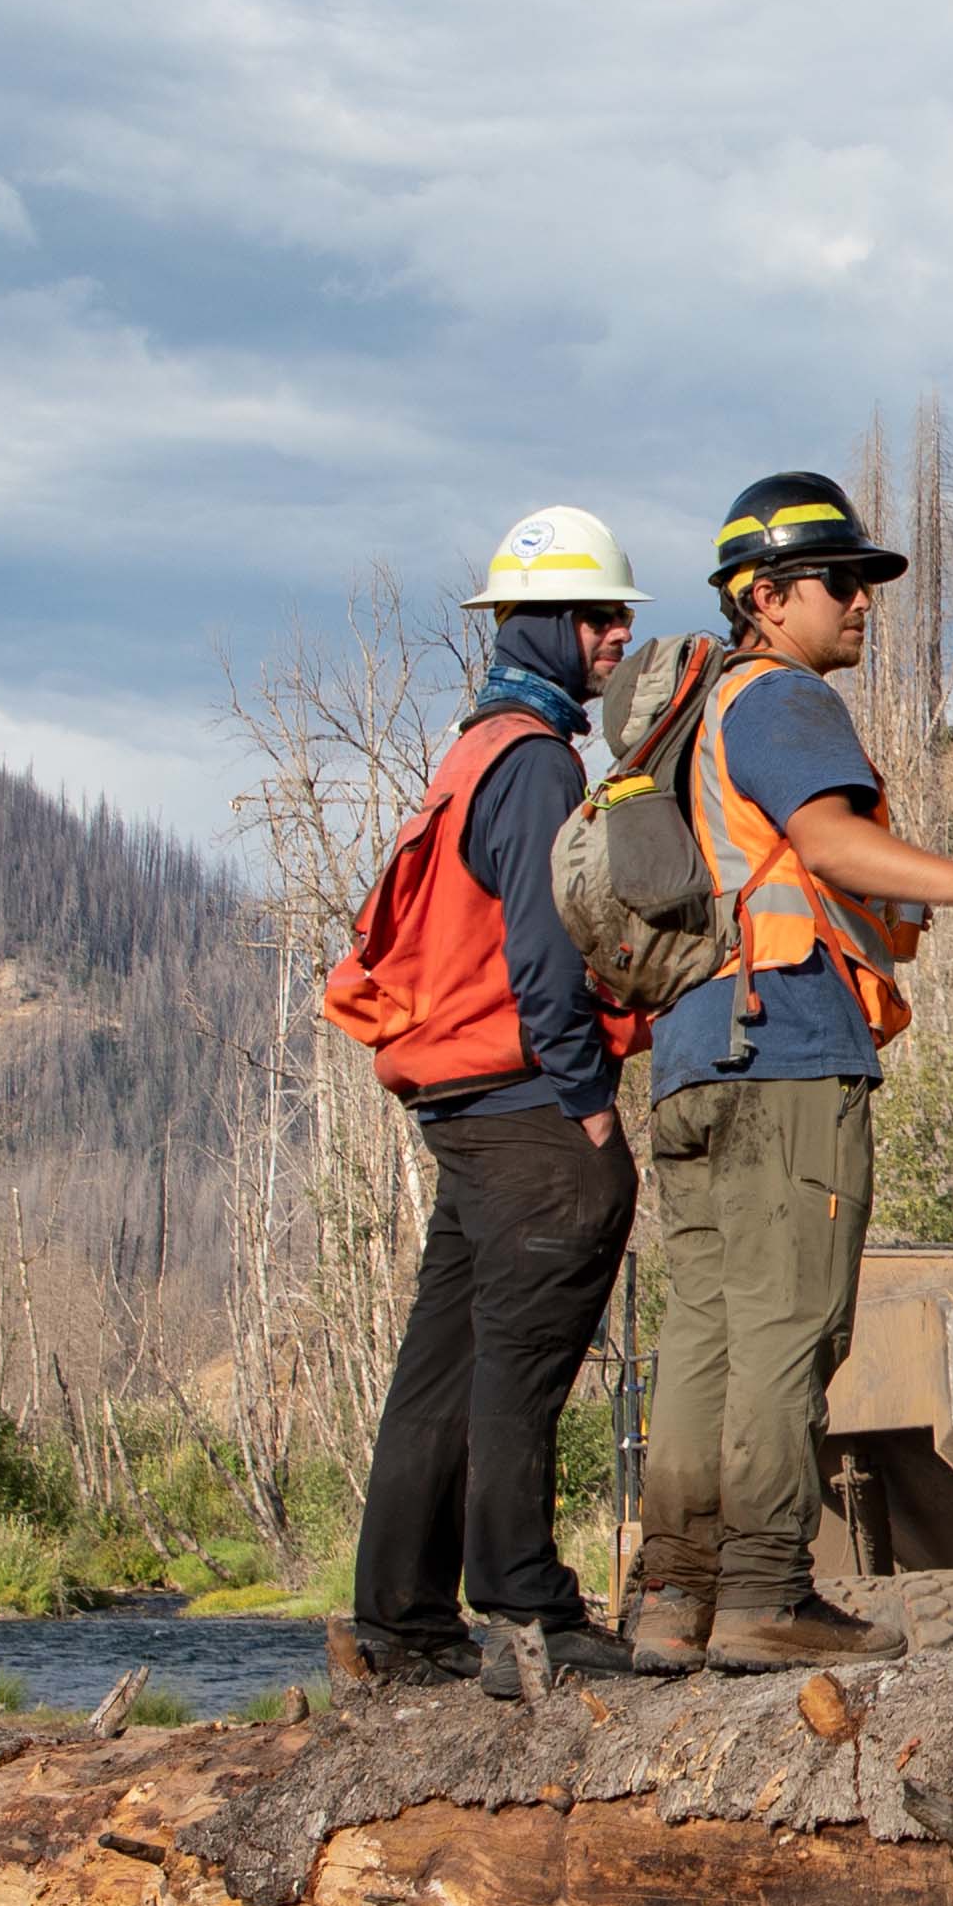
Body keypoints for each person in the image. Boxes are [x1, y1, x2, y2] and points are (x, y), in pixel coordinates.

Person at [628, 472, 953, 1674]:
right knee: (790, 1326)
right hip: (782, 1053)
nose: (865, 604)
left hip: (693, 1058)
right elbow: (825, 839)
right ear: (768, 600)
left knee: (709, 1334)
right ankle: (769, 1590)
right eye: (845, 582)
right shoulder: (780, 700)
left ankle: (672, 1598)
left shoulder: (692, 722)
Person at [346, 505, 651, 1685]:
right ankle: (530, 1610)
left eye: (618, 612)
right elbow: (541, 947)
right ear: (549, 627)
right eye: (599, 616)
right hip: (526, 1103)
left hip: (463, 1102)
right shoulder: (532, 761)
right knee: (519, 1365)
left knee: (444, 1366)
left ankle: (403, 1625)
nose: (619, 633)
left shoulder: (473, 748)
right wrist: (586, 1099)